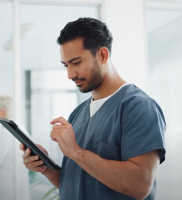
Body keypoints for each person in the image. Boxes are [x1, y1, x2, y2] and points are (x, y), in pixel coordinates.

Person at [20, 18, 166, 200]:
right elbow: (78, 184)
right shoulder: (78, 113)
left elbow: (140, 185)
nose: (70, 74)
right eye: (66, 65)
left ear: (103, 56)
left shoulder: (138, 107)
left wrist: (75, 151)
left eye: (76, 63)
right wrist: (47, 170)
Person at [0, 95, 30, 200]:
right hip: (16, 180)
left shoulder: (8, 130)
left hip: (7, 181)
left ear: (3, 111)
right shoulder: (18, 126)